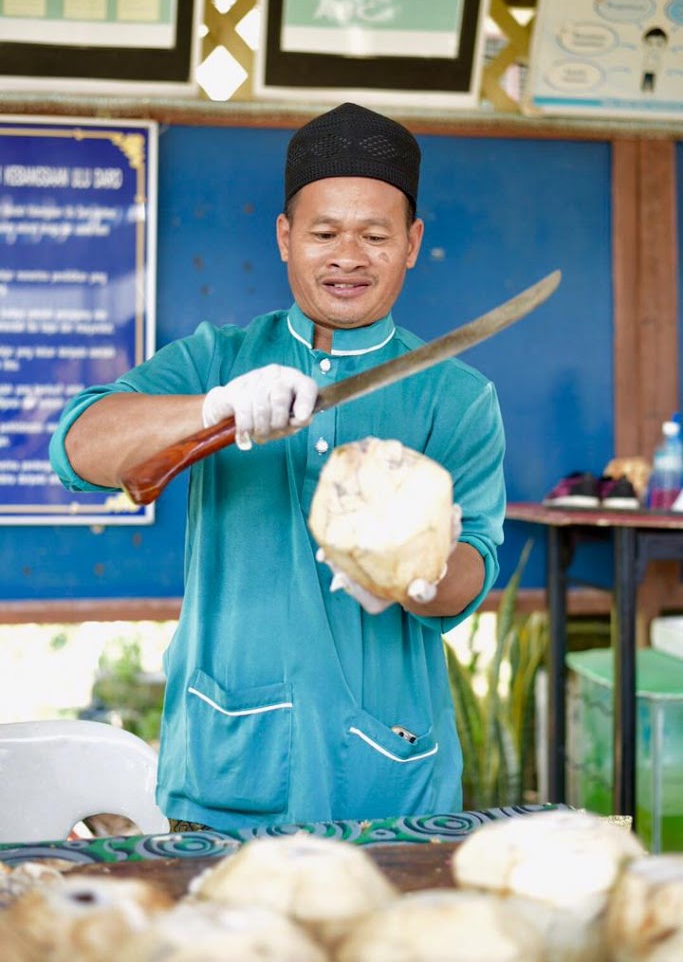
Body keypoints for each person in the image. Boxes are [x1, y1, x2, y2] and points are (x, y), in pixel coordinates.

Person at [49, 103, 506, 832]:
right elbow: (76, 447)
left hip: (389, 783)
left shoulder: (458, 395)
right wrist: (213, 407)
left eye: (375, 235)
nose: (348, 257)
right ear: (285, 237)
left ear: (412, 243)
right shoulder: (217, 359)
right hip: (226, 769)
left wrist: (416, 571)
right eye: (324, 233)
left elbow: (468, 573)